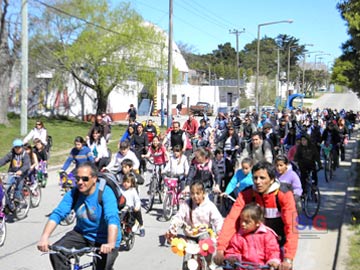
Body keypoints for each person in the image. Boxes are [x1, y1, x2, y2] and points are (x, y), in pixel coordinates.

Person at [214, 161, 299, 270]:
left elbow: (291, 227)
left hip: (279, 244)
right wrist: (221, 248)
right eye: (255, 178)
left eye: (262, 178)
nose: (258, 182)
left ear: (272, 179)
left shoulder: (284, 195)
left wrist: (288, 258)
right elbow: (232, 220)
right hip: (254, 244)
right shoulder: (247, 194)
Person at [37, 162, 121, 270]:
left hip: (106, 238)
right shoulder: (74, 193)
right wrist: (44, 237)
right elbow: (58, 214)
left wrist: (110, 243)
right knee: (57, 252)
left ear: (94, 179)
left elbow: (112, 218)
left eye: (85, 179)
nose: (80, 182)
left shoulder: (105, 192)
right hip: (83, 234)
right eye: (77, 179)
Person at [224, 203, 281, 268]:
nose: (242, 224)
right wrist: (232, 258)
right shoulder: (239, 236)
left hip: (262, 267)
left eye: (247, 222)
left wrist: (273, 261)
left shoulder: (267, 235)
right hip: (244, 267)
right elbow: (232, 249)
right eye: (241, 220)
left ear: (257, 223)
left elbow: (273, 251)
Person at [0, 139, 31, 205]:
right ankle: (8, 203)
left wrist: (21, 171)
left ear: (22, 147)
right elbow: (4, 160)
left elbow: (26, 165)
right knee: (7, 186)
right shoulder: (11, 154)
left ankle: (18, 199)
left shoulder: (25, 155)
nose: (17, 149)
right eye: (15, 147)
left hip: (22, 173)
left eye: (19, 147)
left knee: (19, 184)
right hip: (12, 172)